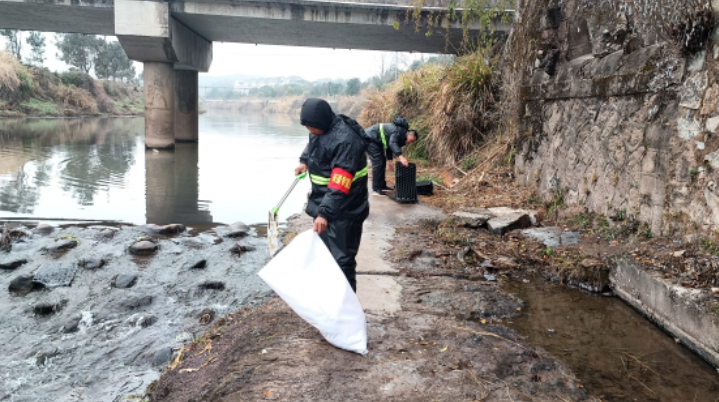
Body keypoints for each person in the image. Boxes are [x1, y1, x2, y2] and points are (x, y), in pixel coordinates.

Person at [294, 98, 370, 292]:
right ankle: (330, 297)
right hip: (326, 204)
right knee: (326, 256)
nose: (310, 131)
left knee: (342, 259)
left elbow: (340, 183)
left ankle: (345, 307)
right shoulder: (321, 129)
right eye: (307, 127)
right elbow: (313, 145)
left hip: (347, 208)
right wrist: (305, 162)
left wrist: (324, 213)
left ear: (323, 122)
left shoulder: (345, 140)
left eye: (313, 127)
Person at [364, 115, 418, 196]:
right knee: (378, 162)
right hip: (370, 137)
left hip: (376, 140)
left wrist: (390, 160)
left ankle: (381, 185)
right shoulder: (399, 132)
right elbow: (392, 143)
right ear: (409, 134)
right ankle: (376, 189)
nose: (409, 142)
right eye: (411, 140)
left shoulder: (402, 138)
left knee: (382, 161)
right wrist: (401, 157)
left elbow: (389, 146)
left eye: (412, 142)